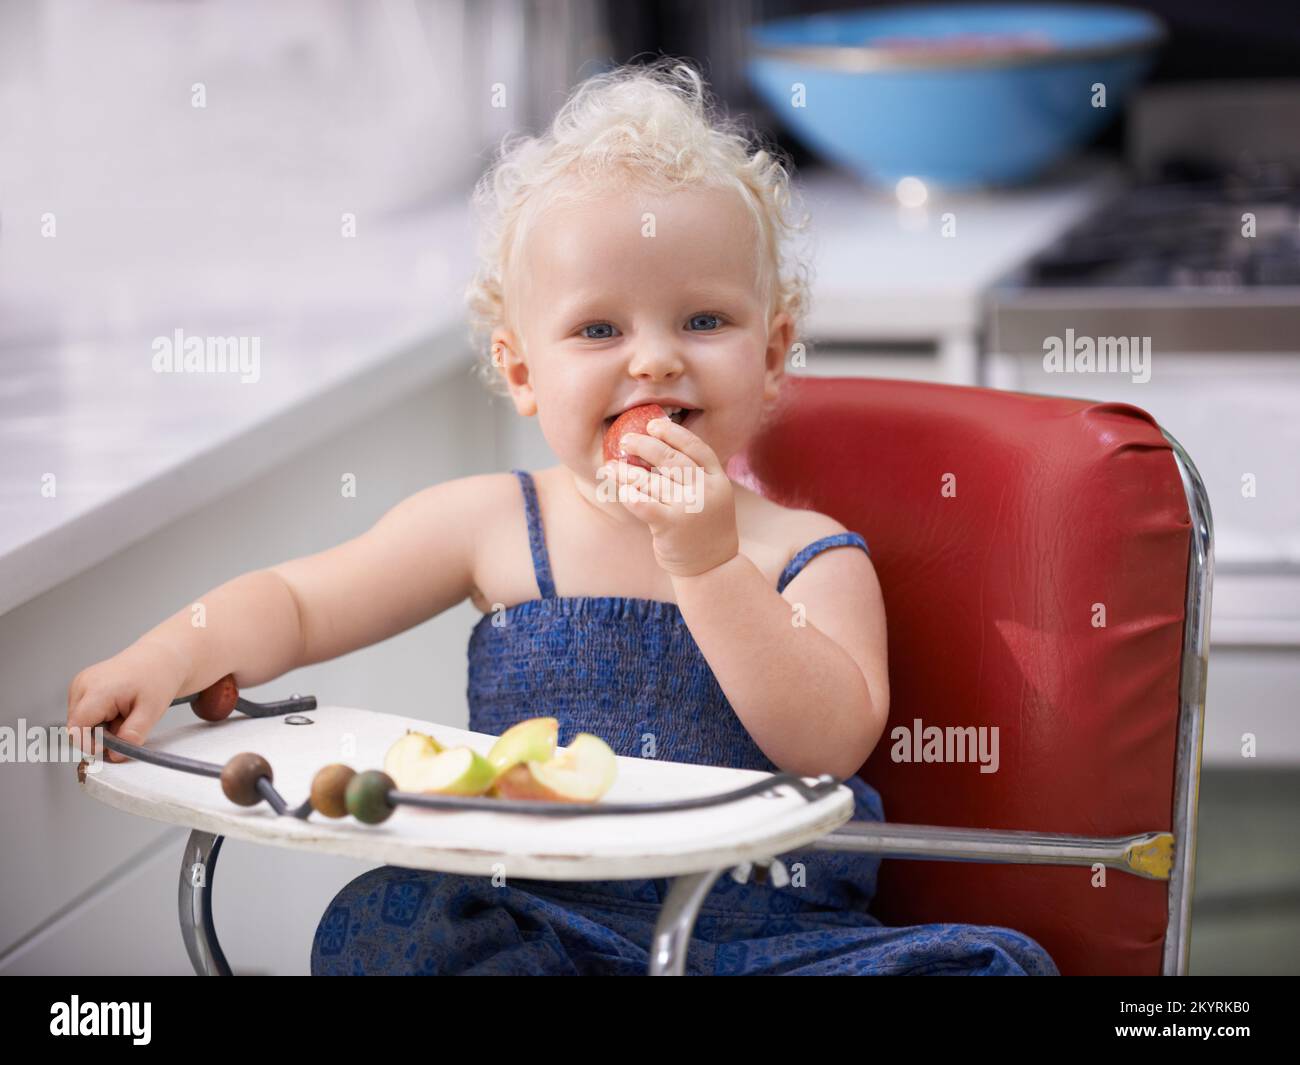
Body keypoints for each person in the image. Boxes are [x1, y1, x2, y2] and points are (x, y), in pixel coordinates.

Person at [68, 57, 1058, 976]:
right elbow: (294, 601)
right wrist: (166, 657)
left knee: (989, 967)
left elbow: (827, 745)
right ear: (520, 371)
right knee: (379, 919)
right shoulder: (493, 524)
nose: (655, 359)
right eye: (598, 329)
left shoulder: (806, 554)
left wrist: (707, 565)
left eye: (704, 321)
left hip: (774, 939)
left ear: (771, 355)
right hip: (538, 922)